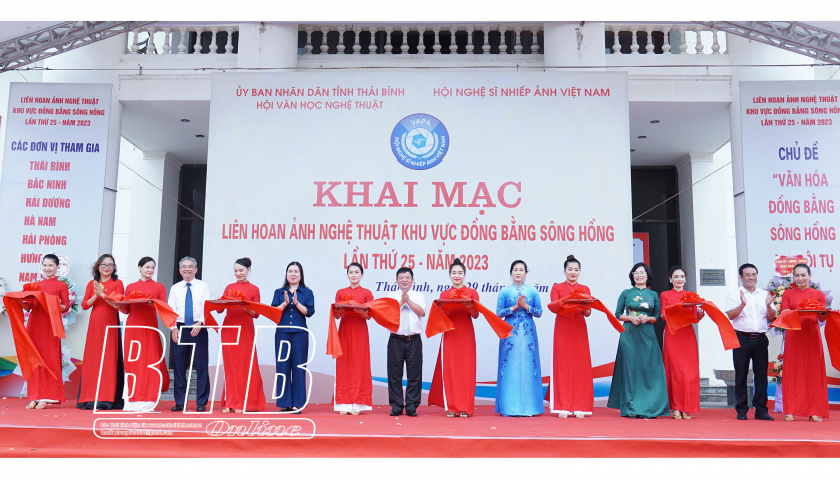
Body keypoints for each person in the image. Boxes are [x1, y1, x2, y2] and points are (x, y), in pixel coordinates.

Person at [607, 262, 669, 418]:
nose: (639, 275)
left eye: (642, 272)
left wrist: (648, 318)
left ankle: (650, 406)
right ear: (632, 276)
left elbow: (657, 317)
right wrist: (630, 318)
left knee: (648, 370)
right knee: (630, 370)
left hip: (647, 335)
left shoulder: (653, 295)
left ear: (648, 276)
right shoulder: (626, 293)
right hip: (629, 334)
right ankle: (630, 407)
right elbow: (617, 314)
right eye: (636, 272)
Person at [429, 258, 480, 418]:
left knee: (466, 369)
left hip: (466, 334)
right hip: (450, 333)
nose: (456, 276)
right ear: (449, 275)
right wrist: (441, 308)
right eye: (454, 273)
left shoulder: (472, 293)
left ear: (464, 274)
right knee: (450, 369)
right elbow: (441, 316)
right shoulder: (444, 294)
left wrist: (470, 306)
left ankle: (465, 407)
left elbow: (476, 315)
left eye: (460, 273)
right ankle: (451, 406)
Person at [724, 263, 776, 421]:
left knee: (761, 375)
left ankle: (761, 409)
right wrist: (742, 304)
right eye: (747, 275)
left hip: (760, 339)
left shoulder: (764, 294)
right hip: (741, 338)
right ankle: (741, 410)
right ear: (741, 277)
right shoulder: (734, 294)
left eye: (753, 274)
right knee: (741, 374)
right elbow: (731, 316)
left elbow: (772, 317)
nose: (751, 277)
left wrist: (768, 306)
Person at [779, 263, 829, 422]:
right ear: (793, 277)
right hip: (794, 335)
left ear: (810, 276)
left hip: (812, 335)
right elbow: (784, 315)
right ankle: (790, 410)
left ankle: (814, 411)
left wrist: (824, 313)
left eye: (803, 275)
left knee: (813, 371)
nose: (800, 278)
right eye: (797, 275)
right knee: (793, 370)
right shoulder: (787, 294)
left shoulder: (819, 294)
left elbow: (821, 317)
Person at [118, 257, 169, 412]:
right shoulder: (130, 286)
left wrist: (152, 303)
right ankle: (131, 401)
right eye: (147, 267)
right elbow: (126, 310)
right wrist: (117, 305)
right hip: (133, 326)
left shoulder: (159, 286)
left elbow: (163, 307)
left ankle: (147, 400)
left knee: (149, 361)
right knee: (133, 361)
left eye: (153, 268)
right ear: (139, 268)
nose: (150, 270)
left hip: (150, 327)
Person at [494, 260, 543, 417]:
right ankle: (509, 407)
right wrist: (514, 307)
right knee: (509, 367)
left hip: (528, 334)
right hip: (509, 334)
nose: (518, 273)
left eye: (521, 270)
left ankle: (531, 407)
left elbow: (539, 312)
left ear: (526, 273)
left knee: (529, 366)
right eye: (515, 270)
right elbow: (498, 313)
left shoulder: (533, 291)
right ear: (511, 273)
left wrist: (527, 306)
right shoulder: (504, 291)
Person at [548, 255, 594, 418]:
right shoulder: (557, 288)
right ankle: (563, 405)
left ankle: (580, 405)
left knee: (580, 365)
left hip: (579, 328)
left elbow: (588, 313)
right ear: (564, 271)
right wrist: (569, 302)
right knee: (563, 365)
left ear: (580, 271)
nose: (573, 272)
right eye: (570, 269)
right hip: (563, 327)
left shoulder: (585, 288)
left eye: (576, 270)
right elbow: (554, 307)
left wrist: (584, 304)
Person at [77, 254, 125, 410]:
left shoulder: (117, 283)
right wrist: (96, 295)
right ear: (98, 267)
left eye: (110, 265)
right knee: (93, 359)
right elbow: (84, 305)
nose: (107, 268)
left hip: (111, 324)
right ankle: (89, 398)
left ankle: (106, 398)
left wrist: (104, 295)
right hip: (95, 323)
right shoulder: (92, 284)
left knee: (109, 359)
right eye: (104, 265)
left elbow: (119, 305)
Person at [22, 254, 69, 409]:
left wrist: (51, 301)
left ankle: (46, 396)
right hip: (35, 325)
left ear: (57, 267)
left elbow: (65, 307)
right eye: (45, 265)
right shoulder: (35, 285)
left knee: (49, 360)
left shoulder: (61, 286)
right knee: (35, 360)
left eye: (51, 265)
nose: (48, 268)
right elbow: (29, 306)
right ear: (41, 267)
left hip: (51, 326)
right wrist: (18, 300)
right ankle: (34, 396)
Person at [220, 257, 266, 413]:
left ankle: (245, 402)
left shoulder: (254, 289)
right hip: (229, 329)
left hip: (245, 329)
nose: (238, 273)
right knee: (230, 365)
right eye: (235, 271)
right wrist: (224, 301)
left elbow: (256, 314)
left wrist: (244, 304)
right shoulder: (229, 287)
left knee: (245, 364)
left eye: (241, 270)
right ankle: (230, 402)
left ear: (248, 270)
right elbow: (219, 308)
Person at [660, 266, 705, 420]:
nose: (679, 279)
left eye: (681, 276)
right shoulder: (665, 294)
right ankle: (675, 408)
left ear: (685, 279)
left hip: (687, 335)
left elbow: (693, 318)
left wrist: (699, 317)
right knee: (674, 371)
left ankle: (687, 408)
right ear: (670, 279)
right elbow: (662, 316)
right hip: (673, 334)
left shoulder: (690, 295)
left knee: (689, 372)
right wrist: (676, 309)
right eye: (676, 276)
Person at [167, 256, 211, 412]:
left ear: (196, 269)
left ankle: (201, 402)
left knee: (201, 366)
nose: (187, 269)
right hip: (180, 329)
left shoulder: (203, 286)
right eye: (184, 266)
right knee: (179, 366)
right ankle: (180, 402)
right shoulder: (175, 288)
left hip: (198, 327)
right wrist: (173, 328)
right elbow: (170, 311)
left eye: (190, 266)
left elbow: (207, 307)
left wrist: (200, 323)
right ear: (180, 270)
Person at [271, 261, 314, 413]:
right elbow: (273, 312)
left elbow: (309, 312)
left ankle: (297, 404)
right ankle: (284, 403)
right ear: (286, 274)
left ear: (300, 275)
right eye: (290, 271)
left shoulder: (307, 293)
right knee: (282, 367)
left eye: (296, 271)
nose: (293, 274)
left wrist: (296, 303)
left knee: (299, 368)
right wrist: (284, 304)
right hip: (282, 333)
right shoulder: (279, 292)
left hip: (300, 334)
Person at [332, 262, 374, 415]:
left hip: (360, 331)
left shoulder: (367, 293)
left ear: (362, 275)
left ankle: (358, 403)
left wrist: (359, 310)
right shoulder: (341, 292)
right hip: (345, 330)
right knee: (344, 364)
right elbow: (336, 315)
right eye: (351, 272)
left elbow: (369, 316)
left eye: (357, 272)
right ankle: (343, 403)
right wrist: (340, 310)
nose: (354, 275)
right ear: (347, 274)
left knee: (359, 364)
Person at [386, 267, 426, 417]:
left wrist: (407, 301)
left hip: (414, 340)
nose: (404, 280)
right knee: (394, 374)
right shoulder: (391, 296)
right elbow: (387, 314)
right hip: (396, 340)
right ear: (396, 281)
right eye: (401, 278)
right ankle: (396, 406)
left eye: (407, 277)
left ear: (412, 280)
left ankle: (411, 406)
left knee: (414, 374)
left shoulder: (418, 295)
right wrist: (400, 302)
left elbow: (422, 312)